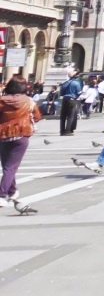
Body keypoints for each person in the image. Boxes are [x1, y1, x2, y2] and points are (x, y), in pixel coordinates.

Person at [0, 75, 43, 206]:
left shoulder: (1, 101)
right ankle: (2, 194)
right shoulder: (29, 101)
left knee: (7, 166)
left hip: (3, 135)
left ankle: (12, 191)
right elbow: (37, 116)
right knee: (10, 167)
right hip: (21, 135)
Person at [58, 68, 83, 135]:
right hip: (72, 100)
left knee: (63, 116)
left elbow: (61, 93)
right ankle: (68, 131)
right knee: (70, 116)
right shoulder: (76, 83)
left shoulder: (65, 83)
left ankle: (62, 131)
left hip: (64, 99)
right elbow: (79, 92)